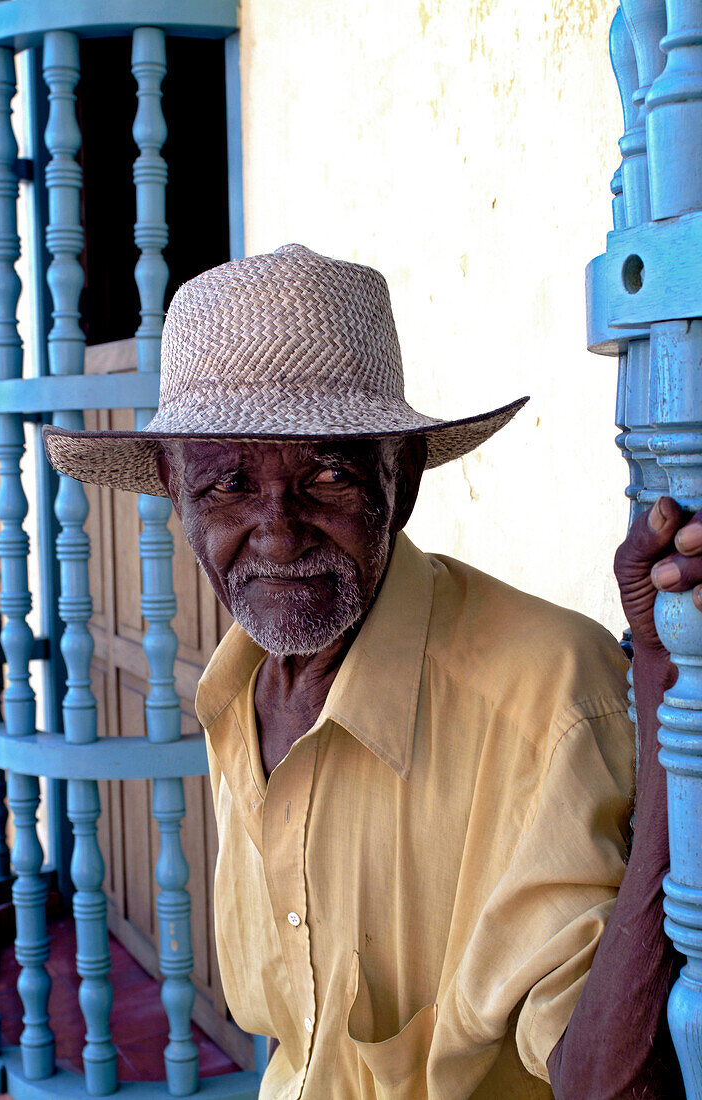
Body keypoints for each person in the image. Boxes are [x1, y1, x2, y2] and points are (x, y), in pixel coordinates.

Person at [43, 244, 699, 1098]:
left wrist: (666, 685)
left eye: (327, 475)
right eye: (228, 485)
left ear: (404, 481)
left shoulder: (548, 695)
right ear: (175, 491)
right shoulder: (234, 689)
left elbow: (606, 1084)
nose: (278, 533)